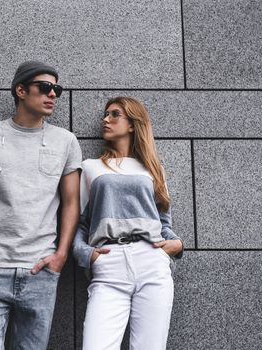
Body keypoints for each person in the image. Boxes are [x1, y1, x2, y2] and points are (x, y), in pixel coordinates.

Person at [0, 61, 82, 350]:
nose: (53, 95)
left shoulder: (65, 141)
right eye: (45, 87)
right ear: (21, 90)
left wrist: (60, 255)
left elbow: (72, 202)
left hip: (40, 271)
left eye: (57, 89)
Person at [72, 96, 184, 350]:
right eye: (105, 114)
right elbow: (80, 223)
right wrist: (85, 254)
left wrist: (176, 243)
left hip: (152, 262)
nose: (105, 119)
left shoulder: (153, 169)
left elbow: (163, 221)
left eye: (114, 114)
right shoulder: (91, 168)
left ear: (133, 124)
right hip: (108, 265)